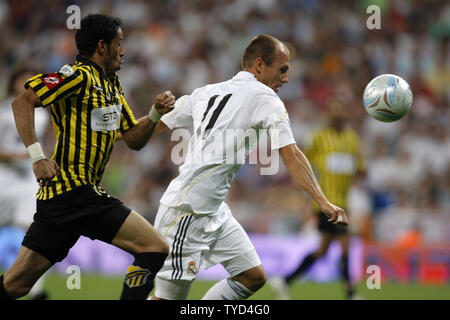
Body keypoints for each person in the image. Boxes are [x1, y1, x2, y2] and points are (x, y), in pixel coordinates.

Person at [144, 34, 348, 300]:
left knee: (252, 277)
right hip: (188, 211)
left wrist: (112, 132)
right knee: (166, 298)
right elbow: (291, 154)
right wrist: (324, 202)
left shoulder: (207, 91)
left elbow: (152, 124)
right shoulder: (265, 98)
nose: (286, 79)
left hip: (214, 210)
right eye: (283, 70)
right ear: (260, 66)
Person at [0, 14, 175, 300]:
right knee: (154, 247)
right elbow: (23, 101)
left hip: (63, 203)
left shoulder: (112, 84)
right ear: (102, 46)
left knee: (15, 285)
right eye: (119, 43)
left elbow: (133, 138)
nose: (124, 50)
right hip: (75, 192)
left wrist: (155, 114)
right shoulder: (77, 76)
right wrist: (37, 155)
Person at [269, 98, 365, 300]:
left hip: (344, 202)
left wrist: (361, 171)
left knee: (322, 250)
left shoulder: (352, 140)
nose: (337, 116)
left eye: (341, 112)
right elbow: (301, 161)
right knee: (345, 244)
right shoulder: (319, 138)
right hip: (325, 203)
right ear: (328, 116)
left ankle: (285, 280)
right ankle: (350, 294)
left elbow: (359, 167)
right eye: (333, 112)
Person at [0, 67, 50, 299]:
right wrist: (16, 156)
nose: (27, 84)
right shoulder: (2, 113)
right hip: (3, 178)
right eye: (23, 80)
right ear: (12, 82)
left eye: (31, 81)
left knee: (33, 231)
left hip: (29, 181)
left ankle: (37, 291)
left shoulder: (42, 115)